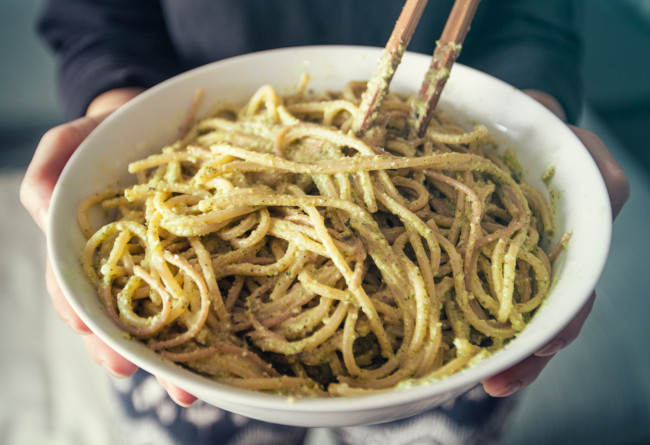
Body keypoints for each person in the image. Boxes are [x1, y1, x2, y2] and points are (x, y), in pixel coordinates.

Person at [20, 1, 629, 443]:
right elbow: (95, 17)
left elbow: (536, 16)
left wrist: (536, 110)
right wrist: (112, 104)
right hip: (190, 332)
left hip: (444, 364)